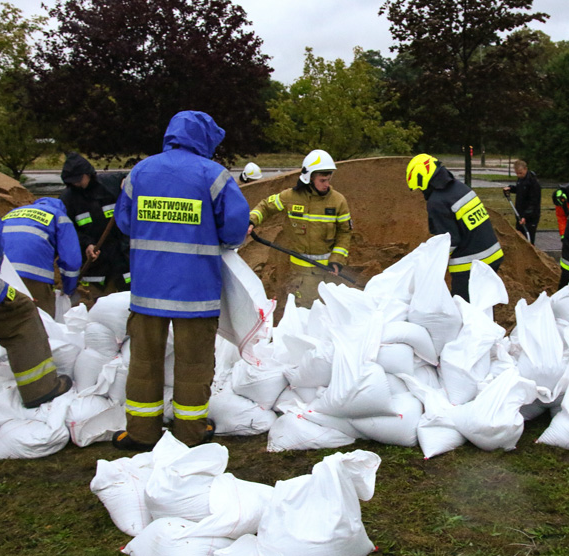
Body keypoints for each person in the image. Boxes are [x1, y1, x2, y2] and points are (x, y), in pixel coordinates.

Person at [113, 110, 251, 450]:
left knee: (144, 363)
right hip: (196, 292)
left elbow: (124, 222)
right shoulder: (213, 175)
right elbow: (234, 229)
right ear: (204, 140)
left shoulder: (141, 171)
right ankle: (189, 434)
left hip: (147, 291)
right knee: (194, 365)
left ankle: (141, 434)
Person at [0, 185, 72, 408]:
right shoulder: (58, 215)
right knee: (22, 317)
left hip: (13, 268)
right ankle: (41, 389)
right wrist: (70, 286)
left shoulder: (16, 212)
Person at [247, 149, 351, 307]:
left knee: (328, 313)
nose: (326, 184)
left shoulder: (338, 201)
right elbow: (266, 206)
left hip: (328, 273)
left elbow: (345, 233)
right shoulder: (290, 197)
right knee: (304, 313)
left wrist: (337, 260)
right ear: (309, 178)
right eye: (322, 180)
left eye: (328, 179)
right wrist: (251, 221)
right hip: (300, 274)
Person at [407, 153, 504, 301]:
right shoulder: (459, 188)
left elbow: (449, 240)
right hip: (493, 256)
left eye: (420, 188)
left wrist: (433, 264)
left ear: (423, 179)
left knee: (463, 308)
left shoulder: (437, 201)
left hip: (470, 265)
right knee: (482, 305)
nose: (421, 192)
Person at [59, 152, 130, 303]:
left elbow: (131, 177)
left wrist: (127, 182)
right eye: (72, 181)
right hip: (95, 260)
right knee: (94, 301)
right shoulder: (68, 199)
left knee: (127, 297)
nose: (76, 184)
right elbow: (68, 230)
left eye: (79, 179)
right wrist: (87, 244)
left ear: (88, 174)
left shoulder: (110, 184)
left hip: (121, 255)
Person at [2, 197, 82, 317]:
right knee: (42, 319)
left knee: (7, 319)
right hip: (34, 274)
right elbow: (71, 261)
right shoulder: (59, 216)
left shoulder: (12, 213)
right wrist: (68, 290)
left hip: (3, 273)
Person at [502, 159, 541, 243]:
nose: (519, 175)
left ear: (525, 169)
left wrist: (526, 216)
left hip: (530, 216)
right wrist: (511, 188)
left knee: (528, 238)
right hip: (519, 213)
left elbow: (534, 202)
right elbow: (520, 190)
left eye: (520, 173)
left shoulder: (533, 182)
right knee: (519, 237)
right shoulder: (521, 180)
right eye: (517, 173)